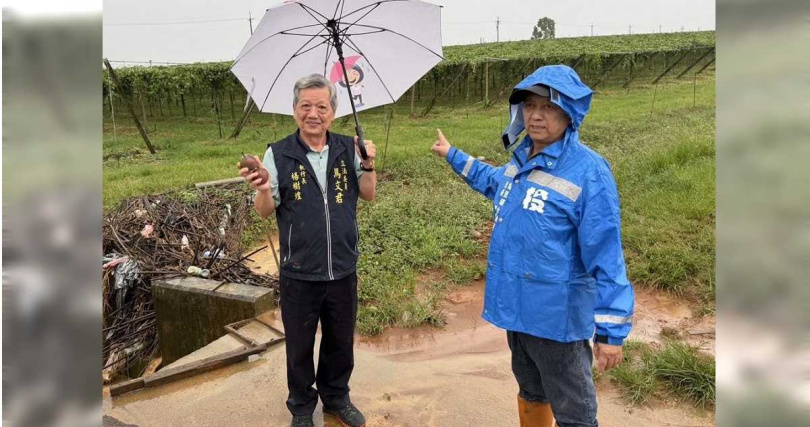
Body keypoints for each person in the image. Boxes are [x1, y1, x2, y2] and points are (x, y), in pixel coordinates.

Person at [431, 65, 634, 427]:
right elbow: (492, 181)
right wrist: (452, 154)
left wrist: (611, 332)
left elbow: (606, 253)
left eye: (548, 107)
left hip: (556, 320)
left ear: (569, 113)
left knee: (574, 408)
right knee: (530, 390)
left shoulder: (588, 172)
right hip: (515, 310)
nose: (536, 116)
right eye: (528, 106)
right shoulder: (520, 160)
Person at [239, 73, 377, 427]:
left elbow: (368, 193)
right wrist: (265, 188)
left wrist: (369, 163)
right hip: (299, 269)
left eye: (322, 106)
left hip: (342, 266)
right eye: (306, 106)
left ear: (333, 111)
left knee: (339, 341)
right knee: (299, 346)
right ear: (294, 110)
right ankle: (301, 409)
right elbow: (265, 210)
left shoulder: (350, 146)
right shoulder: (279, 153)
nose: (313, 113)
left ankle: (336, 398)